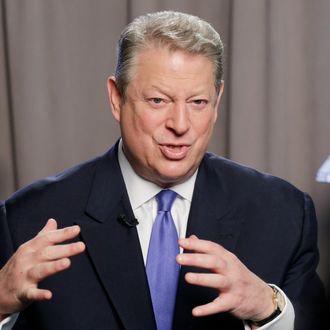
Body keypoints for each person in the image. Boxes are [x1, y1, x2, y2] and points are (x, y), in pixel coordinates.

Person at [0, 10, 326, 330]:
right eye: (158, 100)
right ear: (117, 97)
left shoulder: (284, 213)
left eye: (198, 102)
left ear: (217, 100)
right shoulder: (27, 219)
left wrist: (267, 309)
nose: (180, 125)